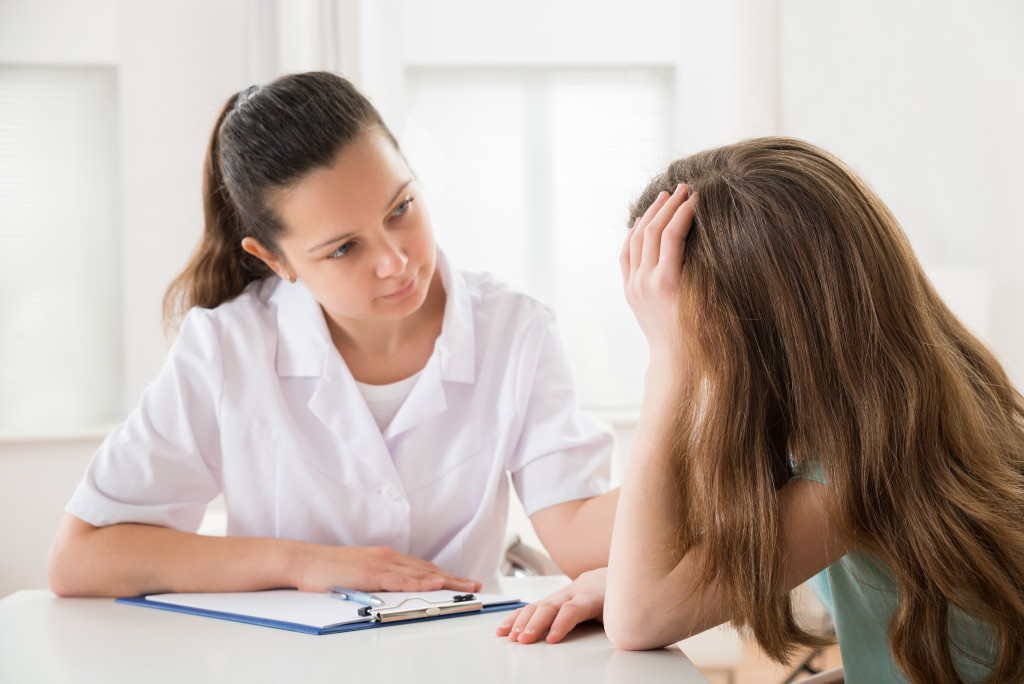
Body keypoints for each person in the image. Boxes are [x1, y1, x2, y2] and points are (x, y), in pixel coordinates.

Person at [47, 71, 618, 599]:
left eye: (401, 208)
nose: (396, 262)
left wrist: (692, 394)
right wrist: (300, 563)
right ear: (275, 259)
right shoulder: (226, 347)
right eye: (344, 248)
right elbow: (80, 558)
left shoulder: (515, 331)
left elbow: (578, 538)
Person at [497, 137, 1024, 683]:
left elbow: (639, 618)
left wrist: (666, 363)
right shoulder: (906, 410)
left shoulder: (859, 470)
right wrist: (617, 579)